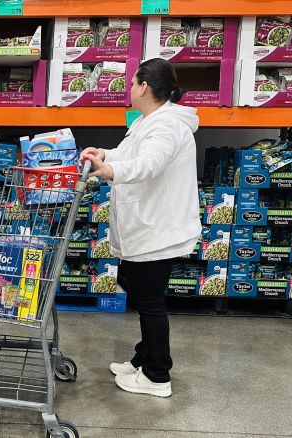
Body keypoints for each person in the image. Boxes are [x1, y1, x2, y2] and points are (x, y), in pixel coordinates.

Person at [80, 58, 201, 398]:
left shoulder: (167, 126)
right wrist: (105, 154)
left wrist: (110, 172)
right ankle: (143, 357)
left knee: (149, 300)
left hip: (158, 230)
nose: (129, 89)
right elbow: (131, 151)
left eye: (132, 83)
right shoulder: (151, 121)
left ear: (144, 87)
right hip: (147, 228)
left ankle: (157, 376)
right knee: (133, 283)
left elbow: (149, 163)